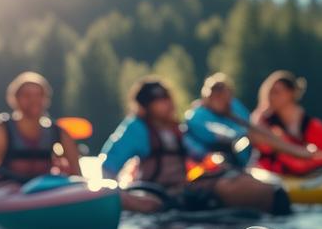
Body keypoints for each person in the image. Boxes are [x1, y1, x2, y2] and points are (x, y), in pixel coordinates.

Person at [100, 77, 289, 214]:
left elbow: (198, 153)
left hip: (180, 191)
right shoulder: (136, 128)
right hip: (154, 193)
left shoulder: (177, 129)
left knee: (231, 184)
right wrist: (118, 196)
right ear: (146, 106)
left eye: (167, 98)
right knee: (151, 204)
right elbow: (108, 166)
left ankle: (272, 201)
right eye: (160, 100)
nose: (167, 103)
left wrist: (218, 162)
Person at [0, 72, 83, 187]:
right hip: (4, 194)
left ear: (46, 99)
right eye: (26, 95)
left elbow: (77, 175)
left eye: (39, 95)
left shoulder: (58, 133)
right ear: (14, 99)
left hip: (43, 192)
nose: (34, 100)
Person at [249, 70, 322, 175]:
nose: (271, 97)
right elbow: (255, 136)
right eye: (270, 93)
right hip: (273, 176)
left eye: (277, 92)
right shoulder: (264, 121)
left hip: (306, 175)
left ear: (291, 93)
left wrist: (316, 157)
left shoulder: (309, 124)